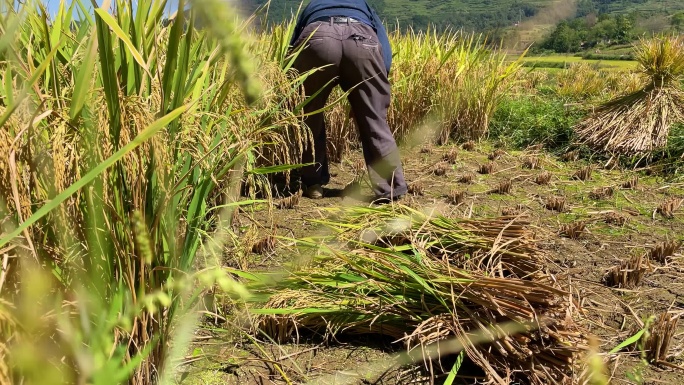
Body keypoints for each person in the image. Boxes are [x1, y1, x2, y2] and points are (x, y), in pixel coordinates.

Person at [289, 0, 408, 203]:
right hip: (362, 41)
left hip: (317, 38)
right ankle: (390, 188)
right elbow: (384, 50)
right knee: (374, 119)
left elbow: (293, 47)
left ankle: (312, 183)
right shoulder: (362, 5)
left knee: (307, 115)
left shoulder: (312, 5)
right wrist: (374, 90)